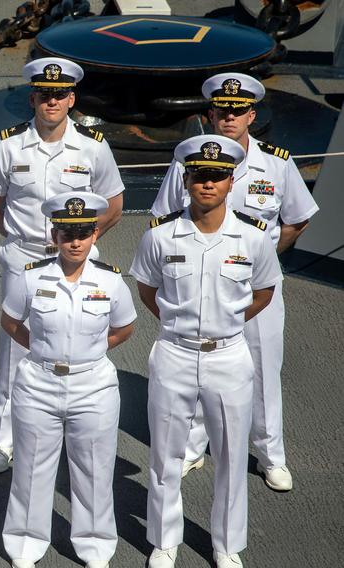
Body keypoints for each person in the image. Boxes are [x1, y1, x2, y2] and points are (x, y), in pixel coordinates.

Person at [151, 73, 318, 491]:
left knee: (262, 370)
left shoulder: (276, 163)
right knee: (198, 363)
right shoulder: (186, 164)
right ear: (210, 115)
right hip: (201, 285)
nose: (229, 117)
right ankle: (193, 446)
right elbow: (165, 217)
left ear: (251, 114)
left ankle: (269, 454)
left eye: (237, 111)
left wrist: (259, 263)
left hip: (257, 288)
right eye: (222, 111)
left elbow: (297, 218)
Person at [131, 135, 282, 568]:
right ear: (186, 180)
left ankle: (227, 545)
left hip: (229, 356)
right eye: (199, 176)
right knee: (165, 454)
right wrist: (178, 324)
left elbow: (264, 292)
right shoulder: (161, 236)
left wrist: (226, 324)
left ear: (231, 180)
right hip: (174, 352)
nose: (207, 185)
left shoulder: (252, 238)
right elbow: (147, 289)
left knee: (231, 458)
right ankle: (164, 541)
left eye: (216, 176)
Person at [0, 57, 124, 474]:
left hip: (75, 257)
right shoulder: (6, 146)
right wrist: (19, 234)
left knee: (77, 335)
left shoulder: (93, 146)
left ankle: (69, 426)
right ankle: (4, 441)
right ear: (33, 98)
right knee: (14, 347)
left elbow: (113, 204)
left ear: (72, 98)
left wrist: (81, 241)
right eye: (45, 94)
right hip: (24, 255)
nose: (52, 101)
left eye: (60, 94)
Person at [1, 192, 135, 568]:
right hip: (39, 383)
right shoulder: (31, 277)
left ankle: (95, 547)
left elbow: (125, 327)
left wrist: (88, 353)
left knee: (93, 468)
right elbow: (10, 321)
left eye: (82, 233)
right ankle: (25, 544)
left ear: (94, 234)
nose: (75, 241)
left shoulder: (110, 280)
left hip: (93, 386)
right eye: (66, 233)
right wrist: (44, 351)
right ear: (55, 235)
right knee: (31, 468)